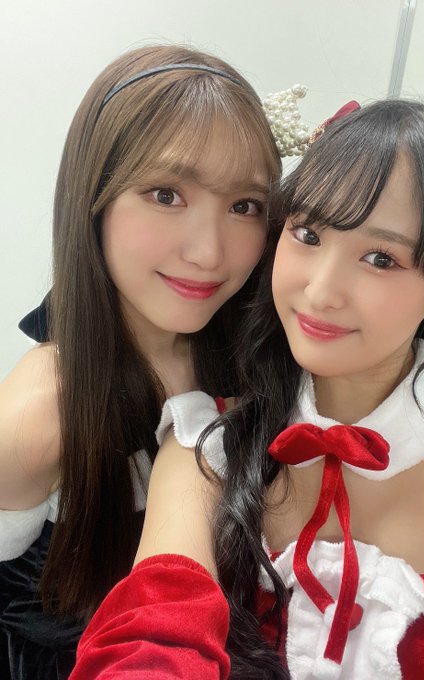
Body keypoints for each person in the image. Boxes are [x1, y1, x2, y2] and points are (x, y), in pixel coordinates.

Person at [70, 101, 424, 679]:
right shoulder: (207, 446)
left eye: (381, 258)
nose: (321, 291)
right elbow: (156, 631)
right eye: (307, 234)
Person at [0, 43, 281, 679]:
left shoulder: (248, 354)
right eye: (165, 194)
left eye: (244, 206)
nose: (209, 253)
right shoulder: (43, 411)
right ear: (92, 201)